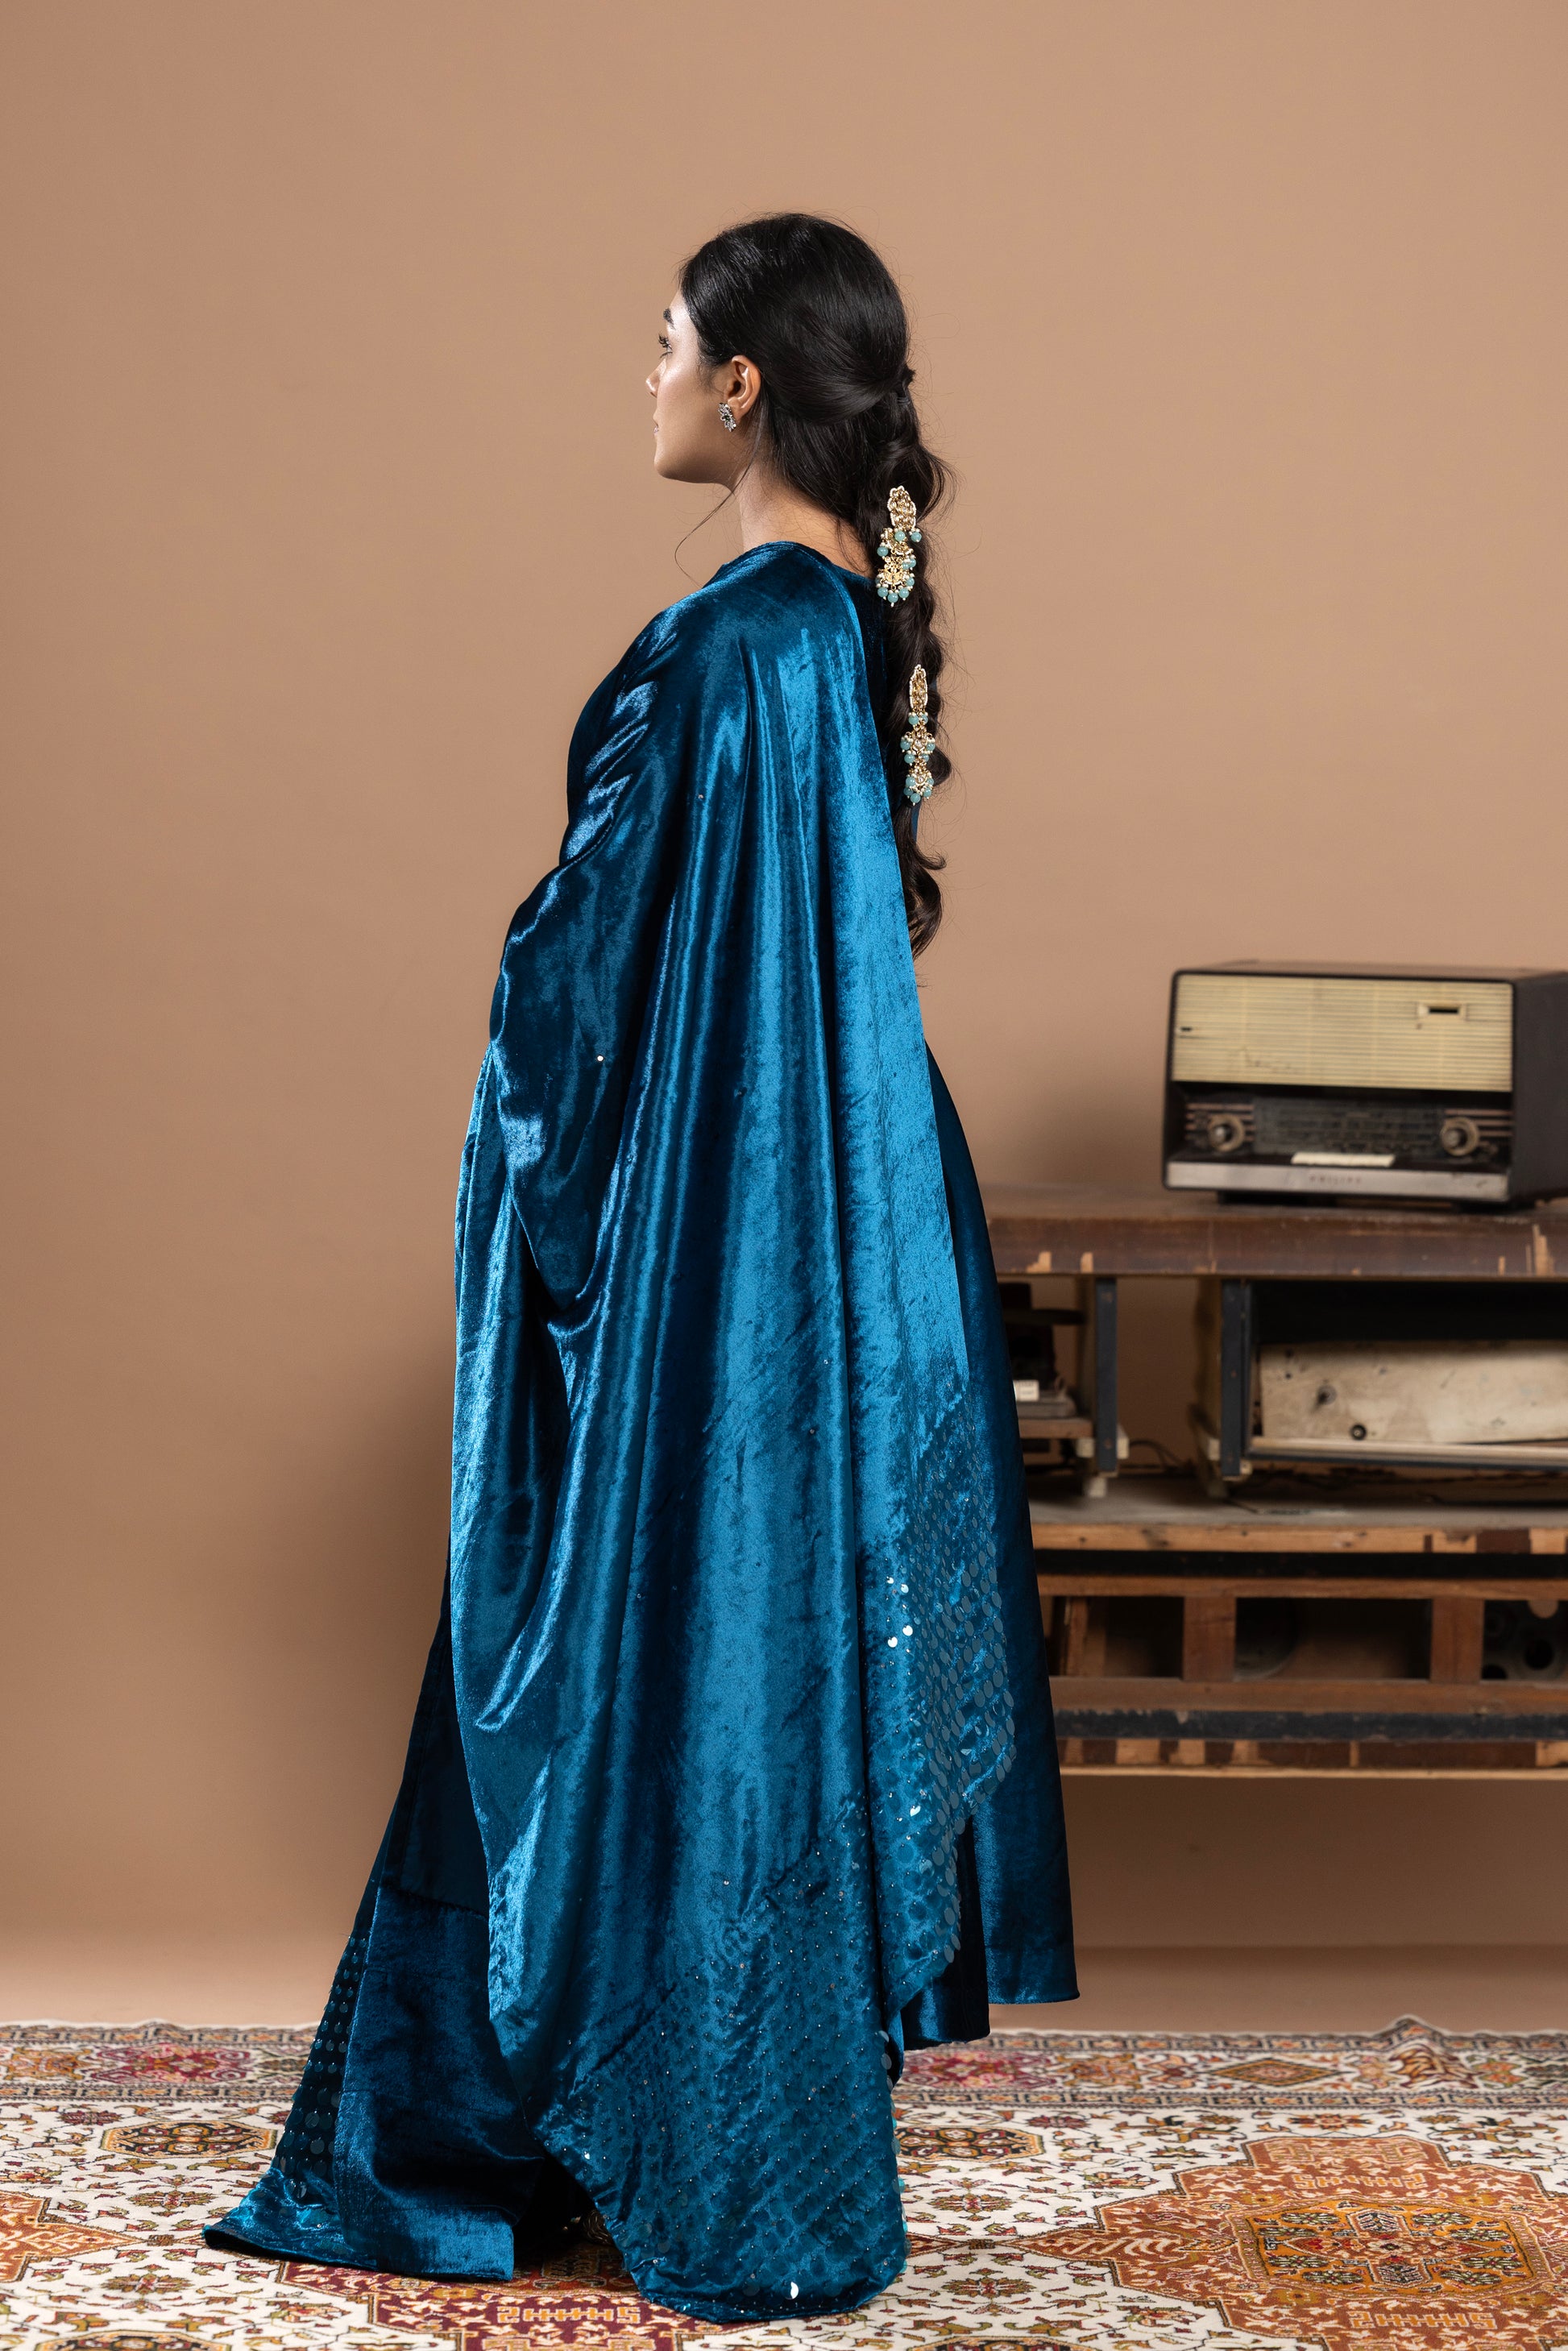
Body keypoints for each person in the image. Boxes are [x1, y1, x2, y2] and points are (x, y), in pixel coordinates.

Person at [209, 212, 1076, 2324]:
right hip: (842, 1198)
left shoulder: (723, 645)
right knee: (759, 1629)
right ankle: (731, 2110)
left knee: (649, 1633)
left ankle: (583, 2113)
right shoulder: (838, 627)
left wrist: (527, 1067)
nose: (650, 372)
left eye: (666, 339)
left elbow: (587, 978)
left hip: (716, 1215)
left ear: (745, 382)